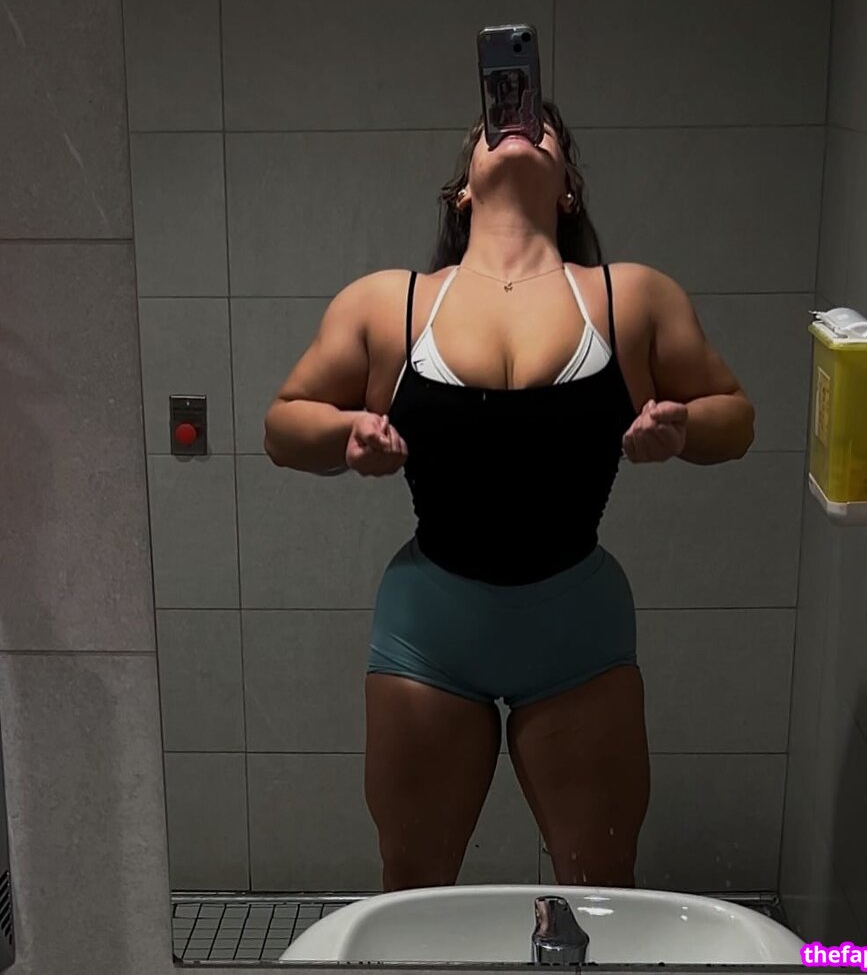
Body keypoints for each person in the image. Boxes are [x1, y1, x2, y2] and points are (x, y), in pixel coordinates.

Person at [263, 100, 755, 892]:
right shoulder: (387, 303)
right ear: (463, 189)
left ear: (569, 188)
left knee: (601, 889)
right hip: (430, 631)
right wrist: (345, 435)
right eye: (495, 125)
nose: (519, 126)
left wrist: (683, 428)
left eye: (541, 125)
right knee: (414, 891)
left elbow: (736, 418)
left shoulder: (632, 297)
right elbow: (283, 425)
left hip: (576, 631)